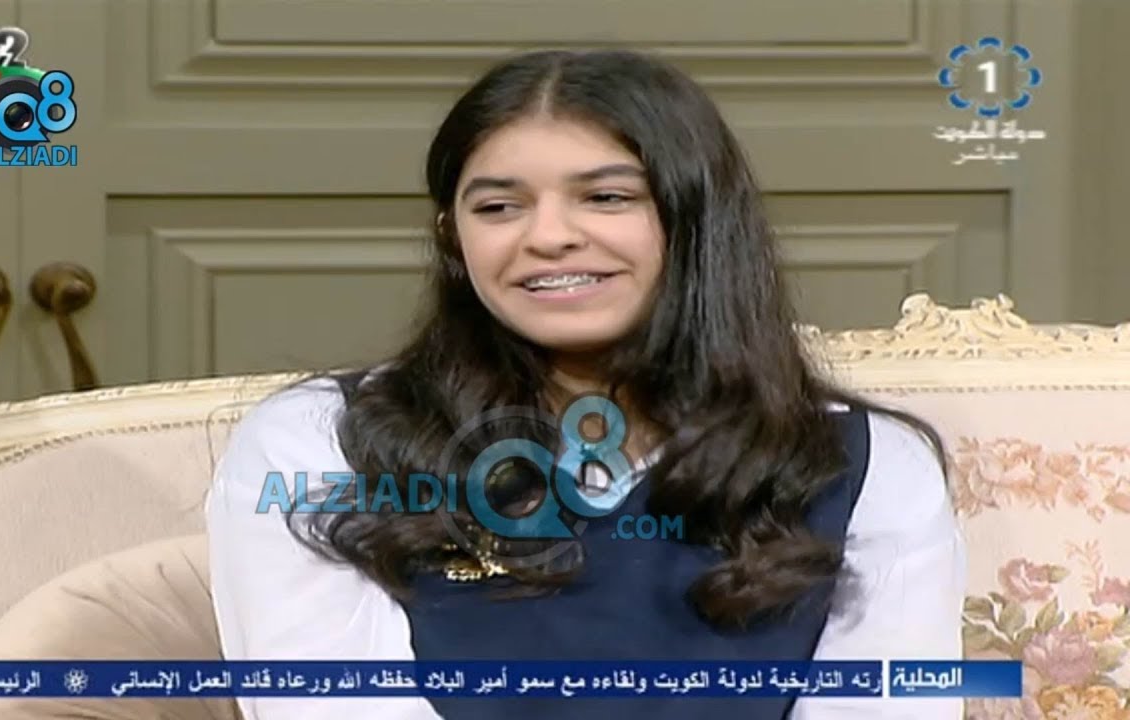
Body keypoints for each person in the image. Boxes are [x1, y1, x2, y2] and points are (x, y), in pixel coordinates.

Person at [206, 48, 965, 719]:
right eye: (498, 207)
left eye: (606, 197)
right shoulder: (320, 445)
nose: (548, 236)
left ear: (695, 222)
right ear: (452, 237)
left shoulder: (863, 464)